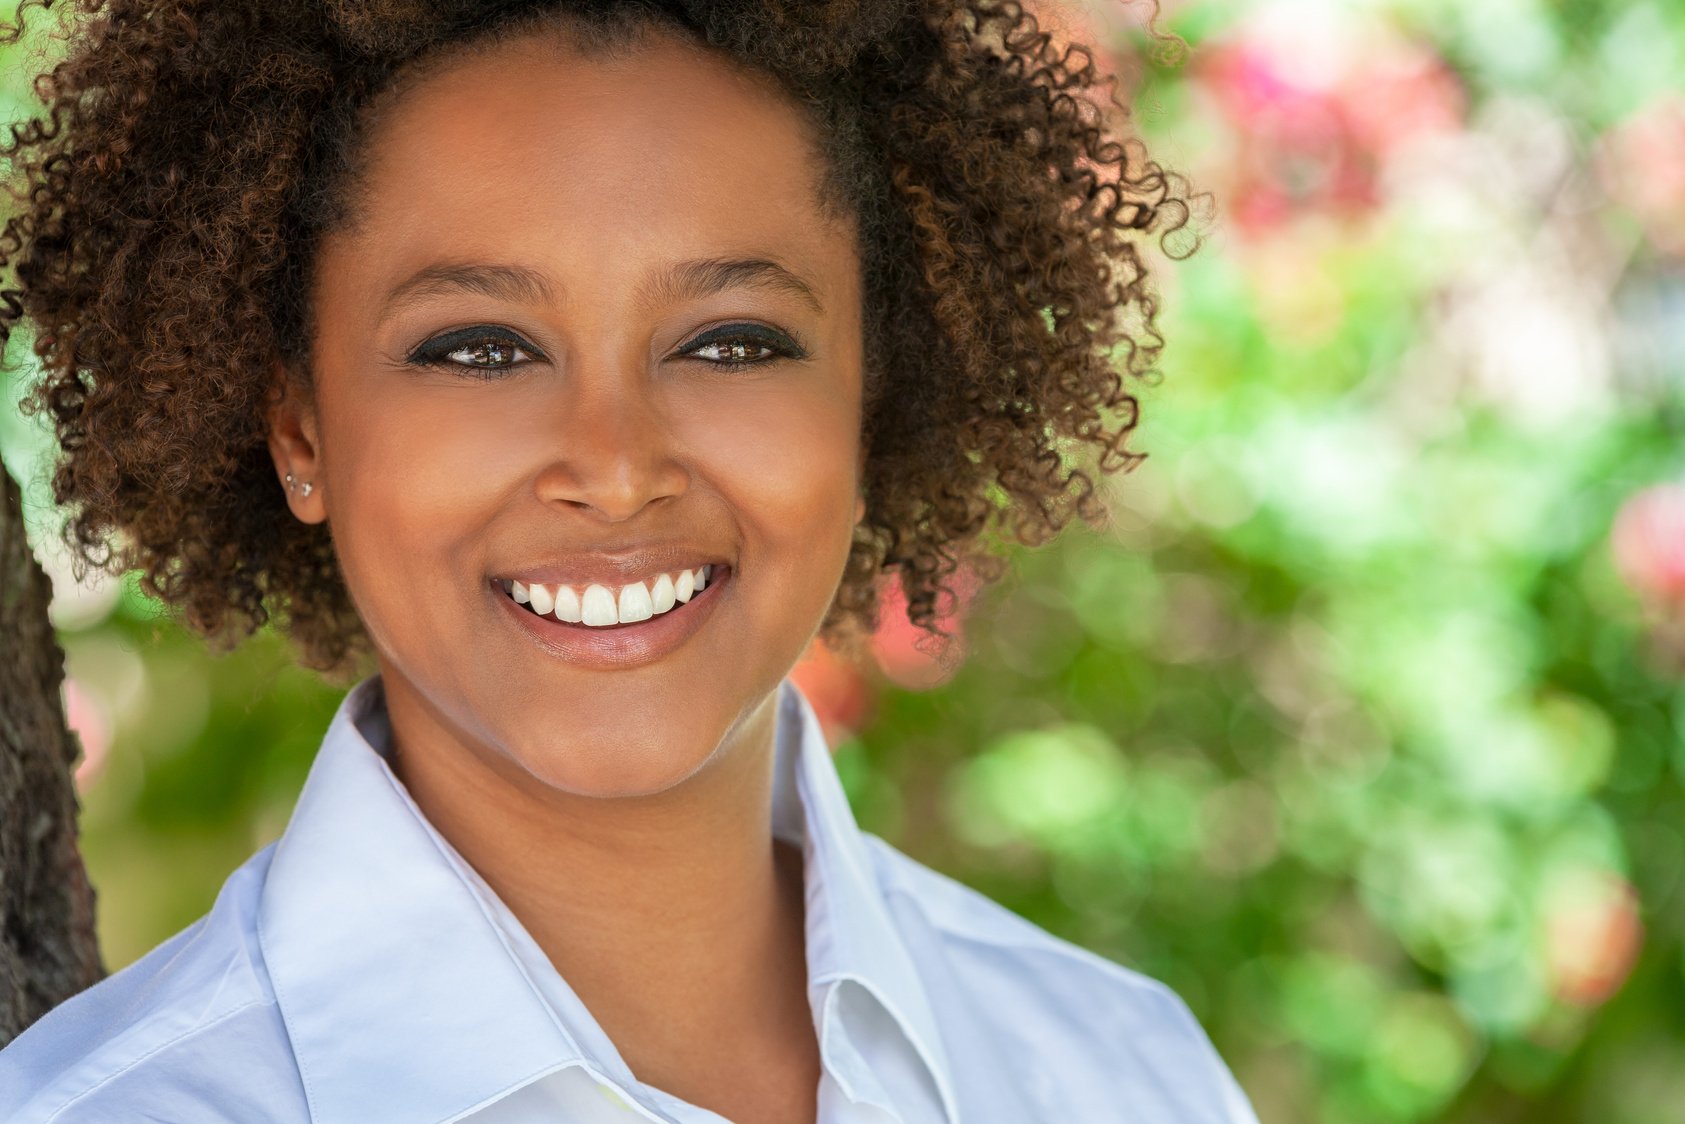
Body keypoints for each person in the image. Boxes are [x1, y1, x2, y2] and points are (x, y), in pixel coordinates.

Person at [0, 1, 1255, 1121]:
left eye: (731, 342)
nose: (613, 464)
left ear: (872, 395)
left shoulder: (1119, 1070)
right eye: (480, 348)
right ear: (300, 427)